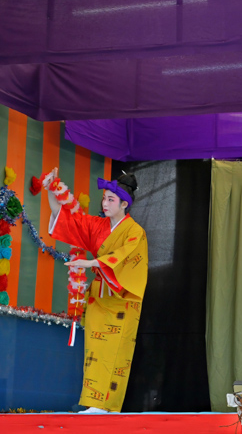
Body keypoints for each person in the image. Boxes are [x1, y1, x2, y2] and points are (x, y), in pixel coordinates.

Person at [46, 169, 147, 413]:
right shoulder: (98, 225)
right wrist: (50, 189)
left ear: (125, 204)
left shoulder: (135, 232)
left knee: (115, 351)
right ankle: (94, 403)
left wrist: (90, 263)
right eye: (104, 198)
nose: (105, 203)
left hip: (122, 301)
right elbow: (66, 220)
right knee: (95, 351)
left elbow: (123, 256)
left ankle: (108, 406)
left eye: (111, 199)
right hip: (99, 297)